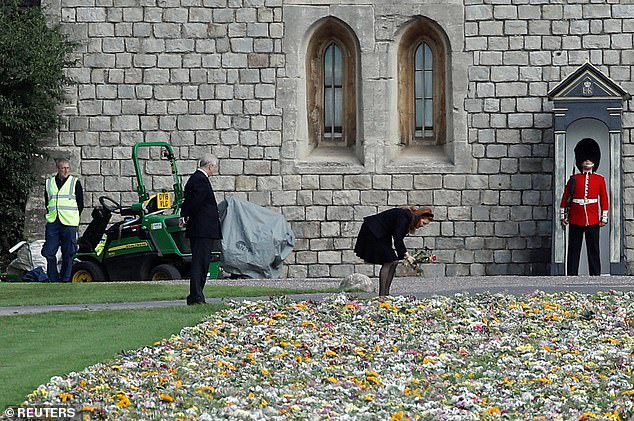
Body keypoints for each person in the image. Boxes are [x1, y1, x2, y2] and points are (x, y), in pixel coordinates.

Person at [354, 206, 434, 296]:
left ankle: (386, 295)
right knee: (389, 261)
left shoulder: (407, 217)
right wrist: (407, 256)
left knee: (394, 261)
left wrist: (404, 256)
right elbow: (397, 237)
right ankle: (382, 296)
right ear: (420, 217)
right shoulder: (405, 216)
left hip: (381, 233)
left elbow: (398, 238)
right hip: (373, 231)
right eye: (424, 222)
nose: (422, 225)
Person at [560, 140, 608, 276]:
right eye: (585, 159)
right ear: (580, 161)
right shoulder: (574, 178)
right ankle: (571, 275)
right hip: (576, 217)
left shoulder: (599, 179)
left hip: (592, 218)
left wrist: (603, 217)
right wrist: (564, 215)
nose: (587, 161)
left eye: (590, 159)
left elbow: (604, 199)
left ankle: (595, 275)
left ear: (594, 162)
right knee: (574, 249)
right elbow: (565, 197)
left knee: (593, 248)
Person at [181, 153, 222, 305]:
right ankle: (196, 296)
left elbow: (188, 202)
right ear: (210, 166)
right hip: (202, 229)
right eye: (214, 167)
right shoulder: (200, 180)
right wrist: (186, 216)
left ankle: (196, 295)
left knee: (201, 262)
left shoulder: (195, 179)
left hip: (201, 229)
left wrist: (184, 215)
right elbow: (195, 203)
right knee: (200, 263)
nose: (215, 170)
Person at [41, 158, 84, 282]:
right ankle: (53, 279)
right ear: (58, 169)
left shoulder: (74, 182)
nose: (65, 170)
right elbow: (47, 201)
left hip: (69, 222)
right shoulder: (49, 183)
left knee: (68, 253)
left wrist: (73, 216)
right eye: (63, 168)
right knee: (49, 251)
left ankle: (65, 279)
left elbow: (80, 203)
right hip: (53, 221)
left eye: (67, 168)